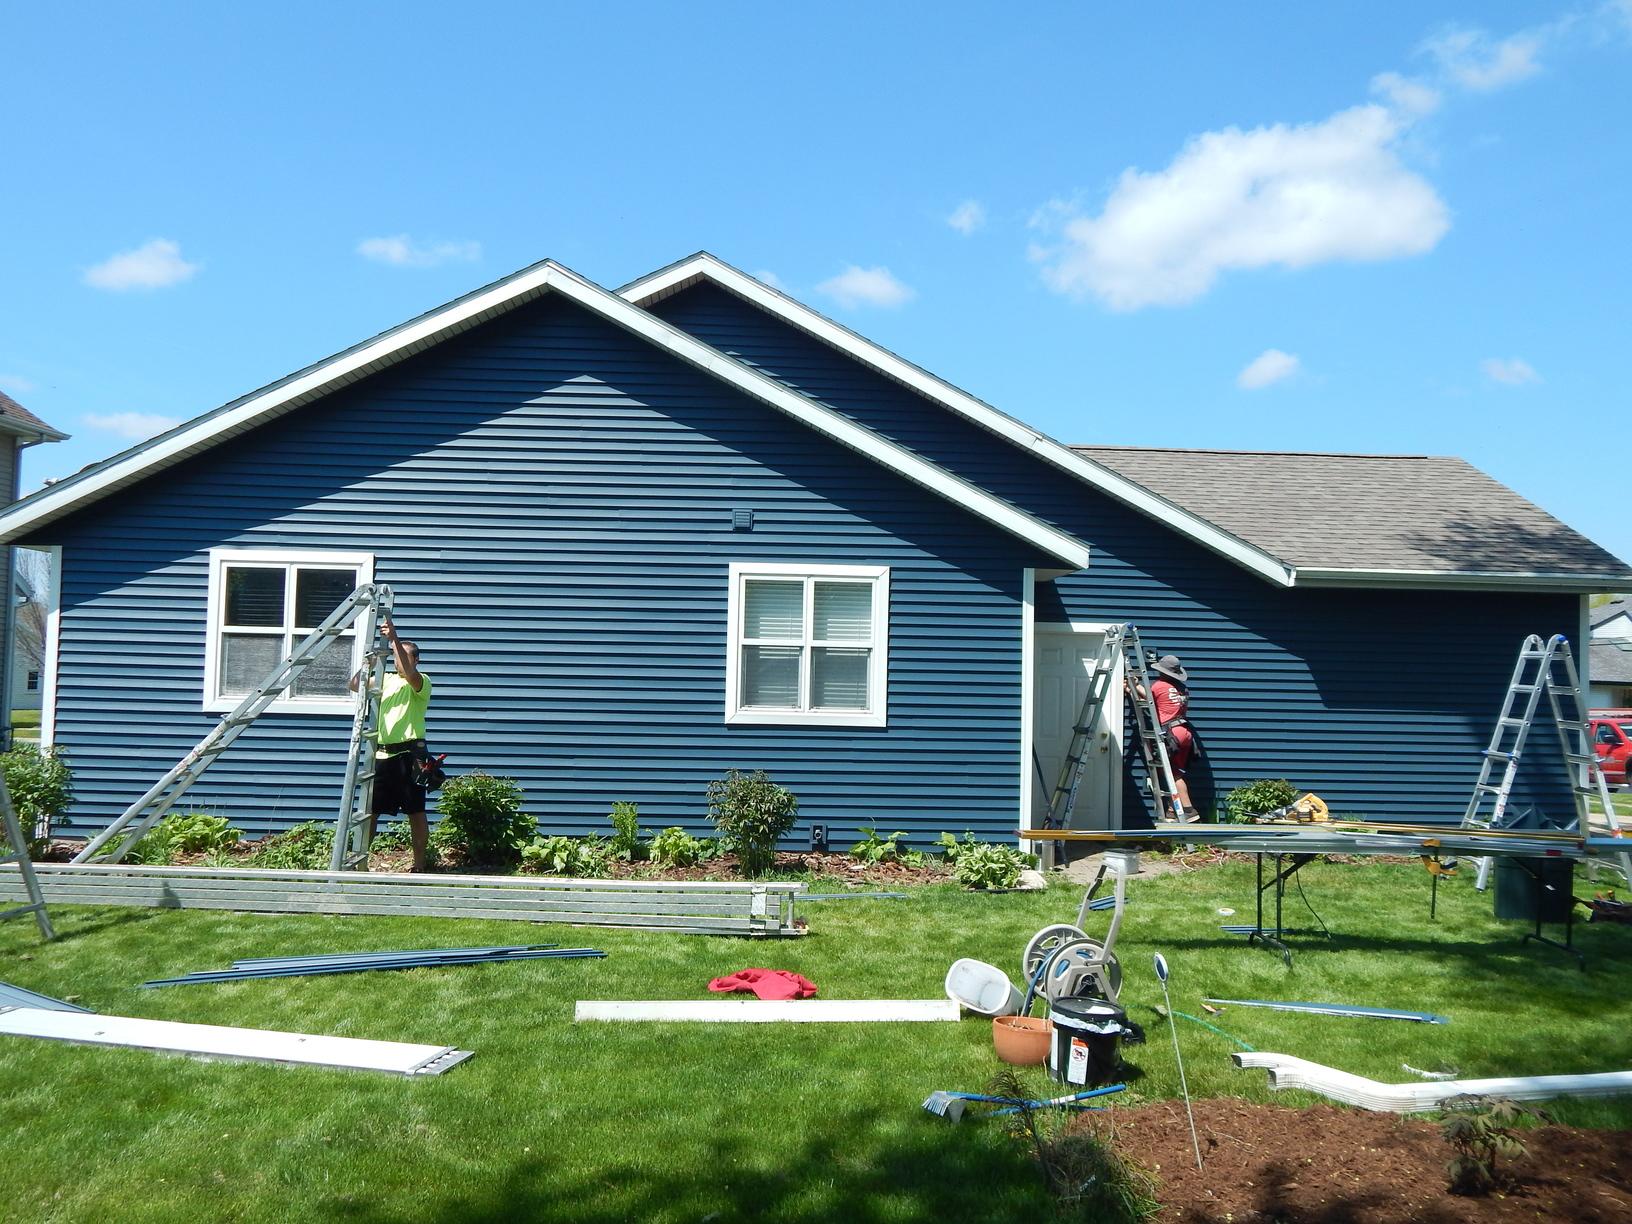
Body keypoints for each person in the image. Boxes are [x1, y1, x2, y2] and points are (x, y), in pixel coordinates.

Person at [350, 618, 432, 870]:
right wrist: (368, 664)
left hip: (410, 755)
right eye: (395, 655)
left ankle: (419, 866)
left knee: (415, 812)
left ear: (415, 659)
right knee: (371, 811)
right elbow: (354, 686)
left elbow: (409, 673)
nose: (397, 660)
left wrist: (394, 639)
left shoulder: (421, 682)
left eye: (402, 655)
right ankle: (360, 863)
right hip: (383, 755)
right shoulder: (384, 679)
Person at [1141, 654, 1200, 821]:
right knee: (1173, 770)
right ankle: (1172, 811)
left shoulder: (1159, 686)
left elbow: (1146, 697)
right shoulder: (1183, 689)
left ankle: (1188, 810)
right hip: (1184, 733)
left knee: (1173, 774)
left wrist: (1131, 687)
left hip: (1171, 734)